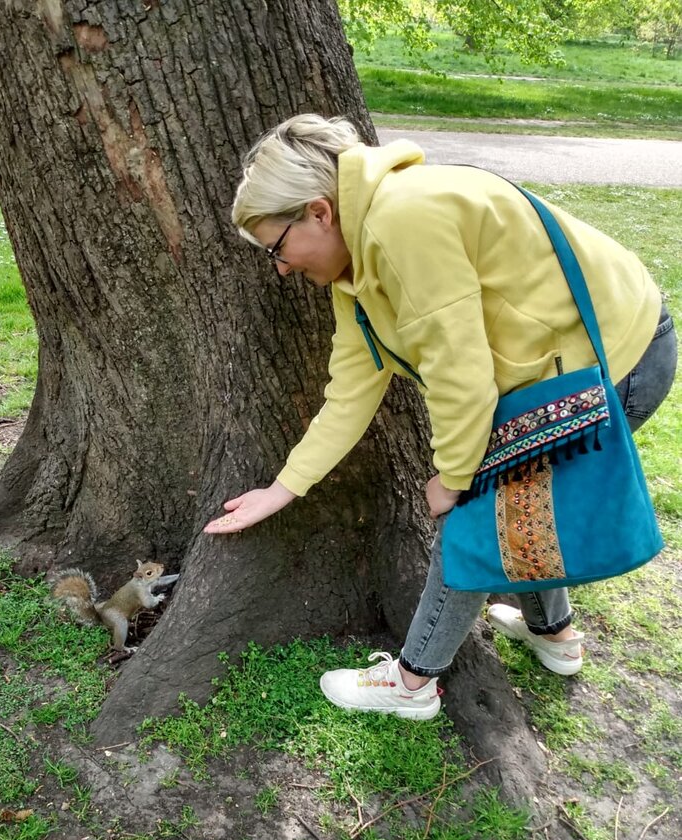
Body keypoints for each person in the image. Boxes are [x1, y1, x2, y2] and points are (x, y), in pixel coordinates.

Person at [204, 114, 677, 720]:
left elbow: (462, 376)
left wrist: (454, 478)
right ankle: (553, 633)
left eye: (277, 247)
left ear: (319, 212)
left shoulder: (406, 220)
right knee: (517, 499)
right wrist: (283, 487)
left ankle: (412, 682)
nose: (281, 267)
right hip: (562, 366)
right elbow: (351, 388)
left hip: (617, 361)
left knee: (480, 511)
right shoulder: (356, 272)